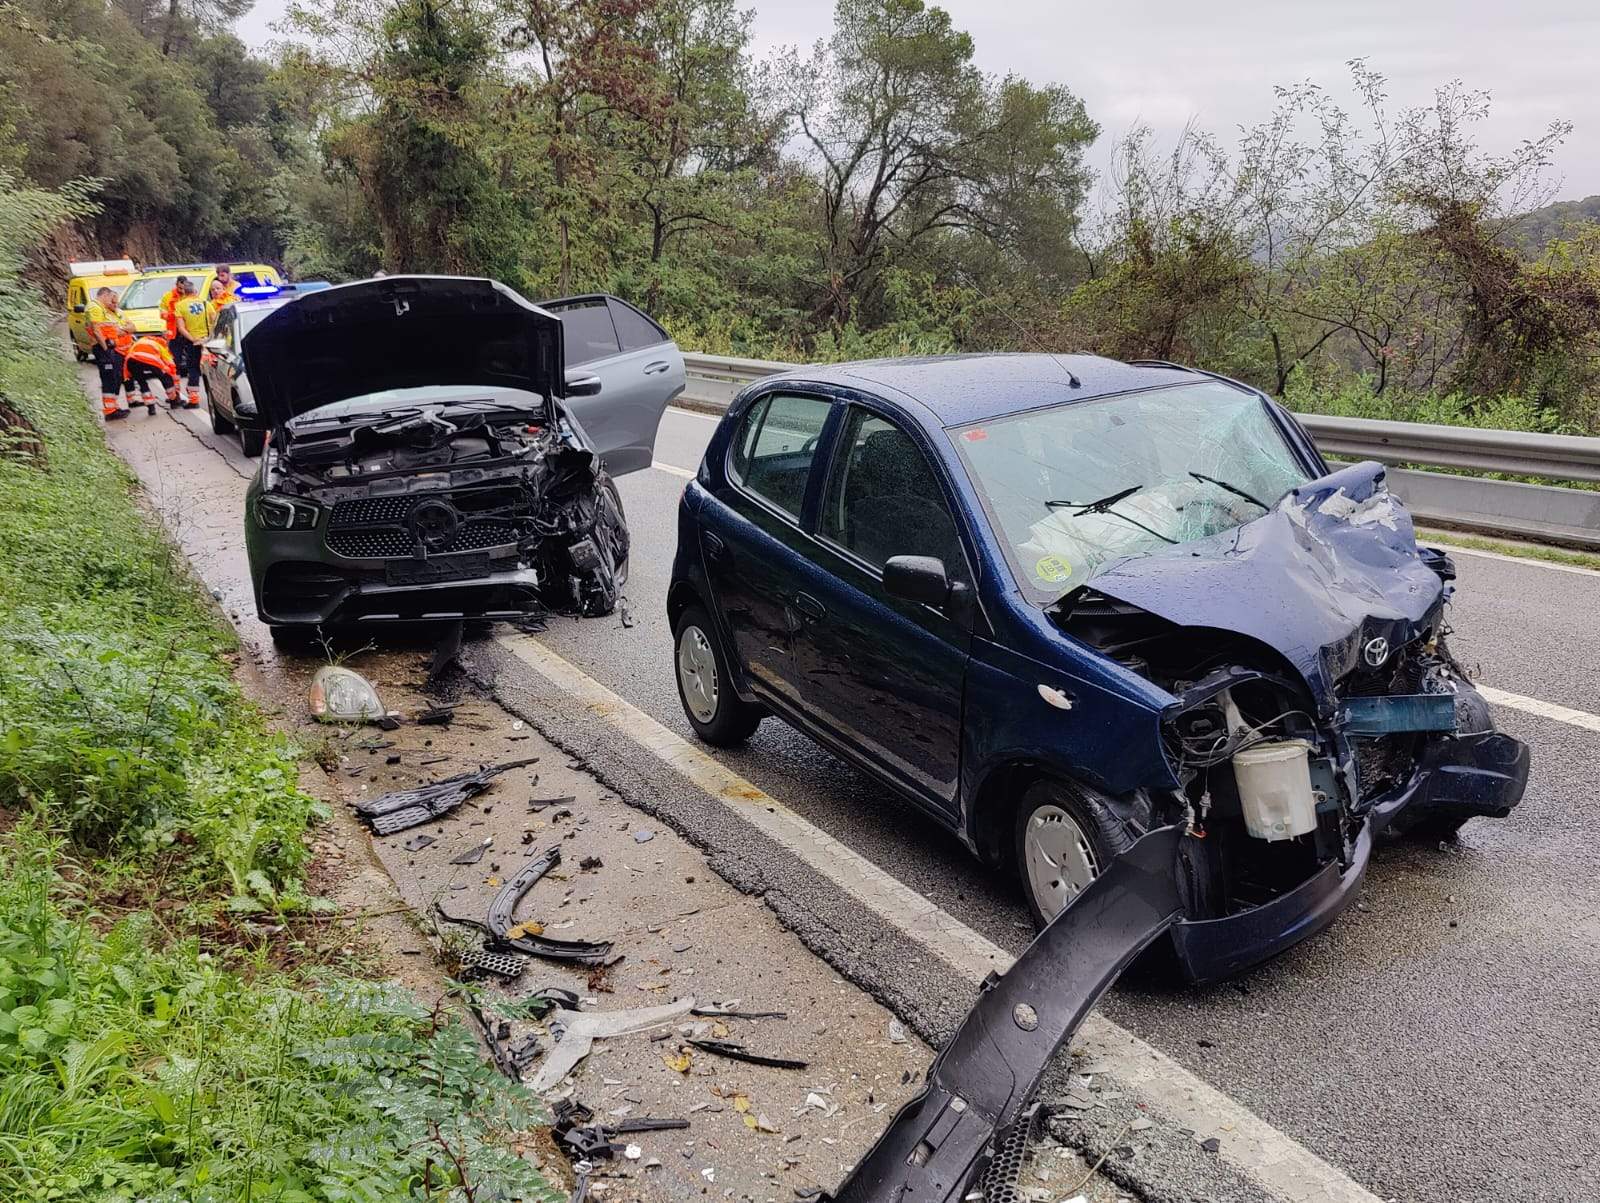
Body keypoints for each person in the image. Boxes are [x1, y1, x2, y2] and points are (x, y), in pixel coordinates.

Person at [86, 286, 136, 420]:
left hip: (108, 347)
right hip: (102, 348)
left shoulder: (99, 308)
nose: (111, 302)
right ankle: (110, 410)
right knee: (109, 378)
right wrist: (106, 349)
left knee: (113, 377)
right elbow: (96, 330)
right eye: (110, 299)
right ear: (105, 295)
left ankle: (113, 407)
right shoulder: (95, 307)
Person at [169, 277, 210, 408]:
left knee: (193, 369)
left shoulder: (180, 306)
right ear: (195, 291)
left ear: (184, 292)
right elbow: (214, 319)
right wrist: (208, 338)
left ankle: (194, 400)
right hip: (208, 342)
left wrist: (193, 339)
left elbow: (181, 328)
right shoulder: (205, 303)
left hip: (193, 343)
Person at [124, 335, 181, 408]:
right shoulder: (161, 345)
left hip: (131, 360)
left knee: (141, 381)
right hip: (149, 358)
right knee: (165, 378)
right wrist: (171, 372)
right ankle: (174, 402)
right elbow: (169, 362)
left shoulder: (141, 341)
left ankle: (151, 407)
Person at [159, 274, 189, 341]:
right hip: (173, 331)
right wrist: (173, 315)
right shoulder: (168, 296)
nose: (182, 291)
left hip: (188, 331)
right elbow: (162, 313)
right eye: (180, 288)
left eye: (184, 288)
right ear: (176, 285)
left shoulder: (190, 295)